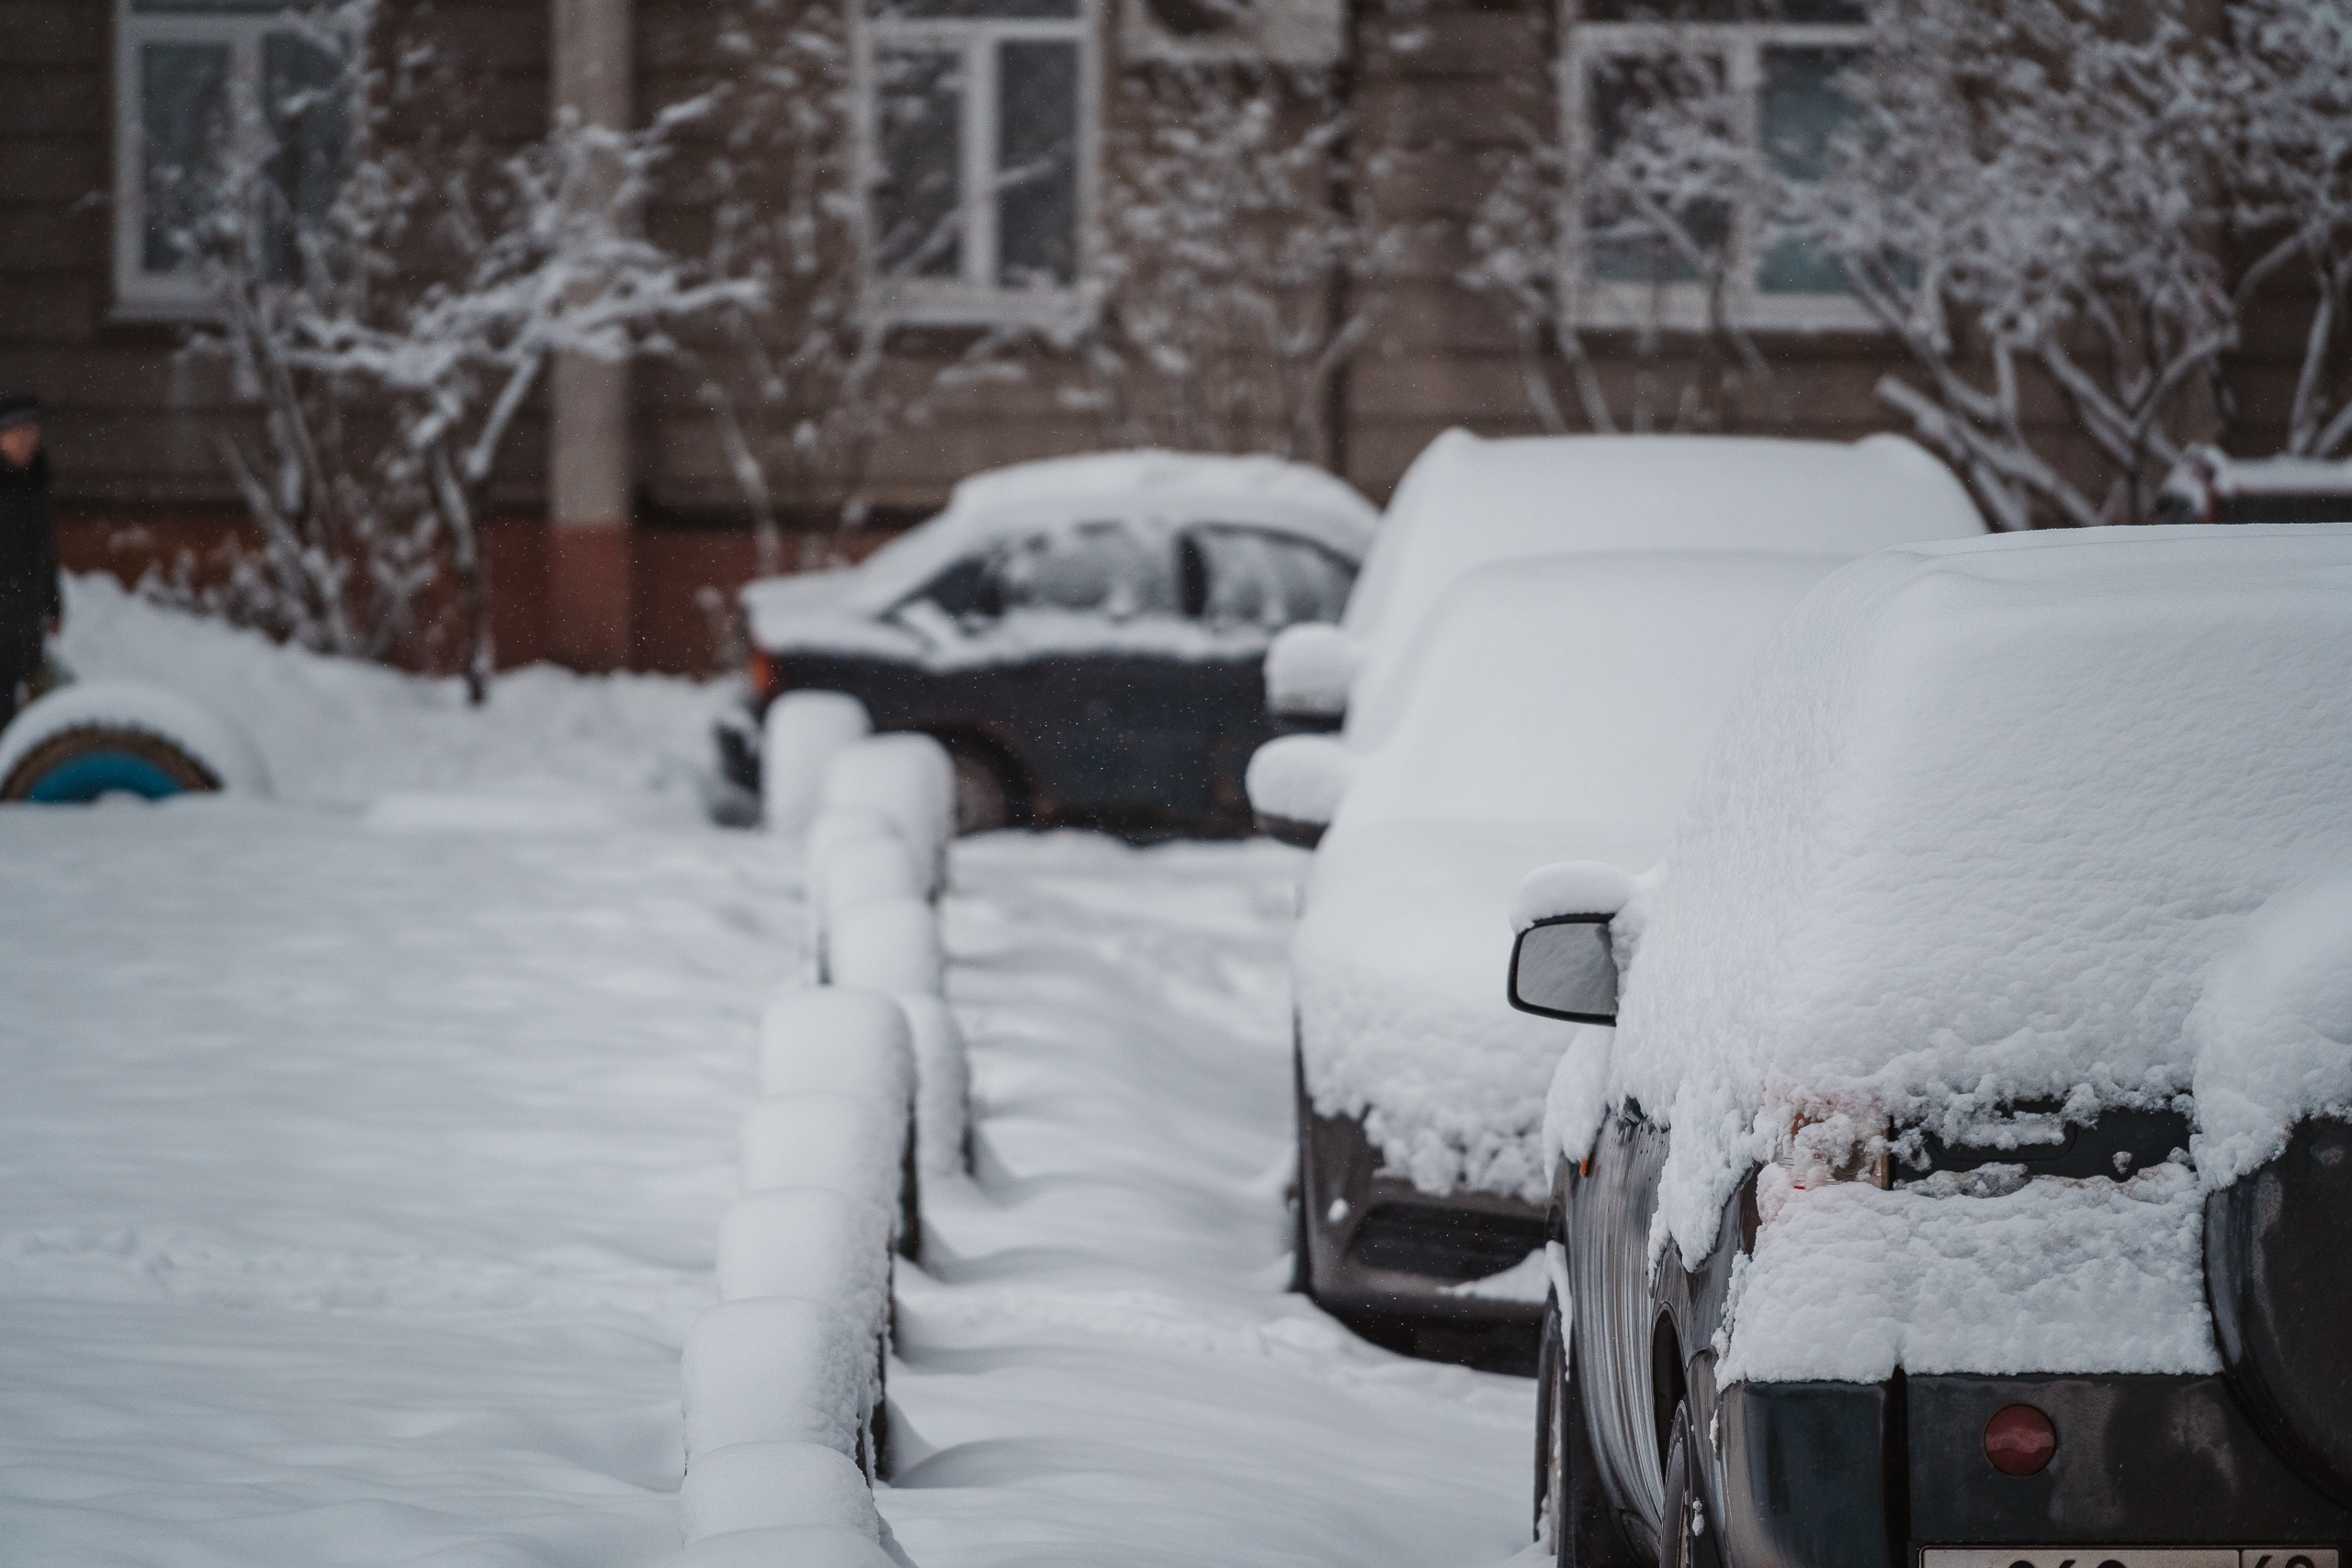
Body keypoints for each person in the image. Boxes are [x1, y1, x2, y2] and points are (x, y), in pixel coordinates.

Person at [0, 394, 61, 730]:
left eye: (31, 433)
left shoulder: (35, 483)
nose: (27, 442)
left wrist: (53, 604)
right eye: (16, 433)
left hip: (22, 618)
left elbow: (43, 554)